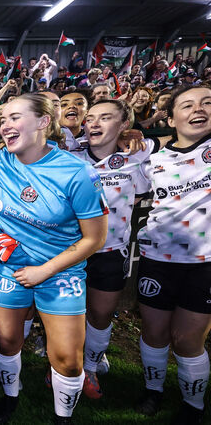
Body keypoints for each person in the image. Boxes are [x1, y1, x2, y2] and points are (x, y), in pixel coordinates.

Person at [0, 94, 108, 424]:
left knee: (68, 360)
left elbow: (95, 238)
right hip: (10, 269)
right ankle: (10, 398)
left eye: (15, 117)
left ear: (44, 122)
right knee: (7, 342)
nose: (5, 125)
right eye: (3, 119)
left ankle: (63, 418)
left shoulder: (78, 172)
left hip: (61, 272)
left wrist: (44, 270)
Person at [134, 85, 211, 424]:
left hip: (204, 264)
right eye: (188, 105)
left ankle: (193, 406)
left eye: (207, 103)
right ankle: (153, 391)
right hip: (157, 260)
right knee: (154, 333)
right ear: (171, 117)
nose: (199, 109)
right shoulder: (153, 158)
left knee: (187, 339)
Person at [71, 100, 155, 400]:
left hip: (111, 252)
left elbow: (143, 192)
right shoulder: (69, 155)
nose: (94, 123)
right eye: (90, 118)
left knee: (100, 314)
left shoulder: (136, 157)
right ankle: (67, 364)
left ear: (123, 125)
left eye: (105, 118)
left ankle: (90, 367)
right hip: (70, 253)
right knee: (69, 314)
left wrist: (140, 142)